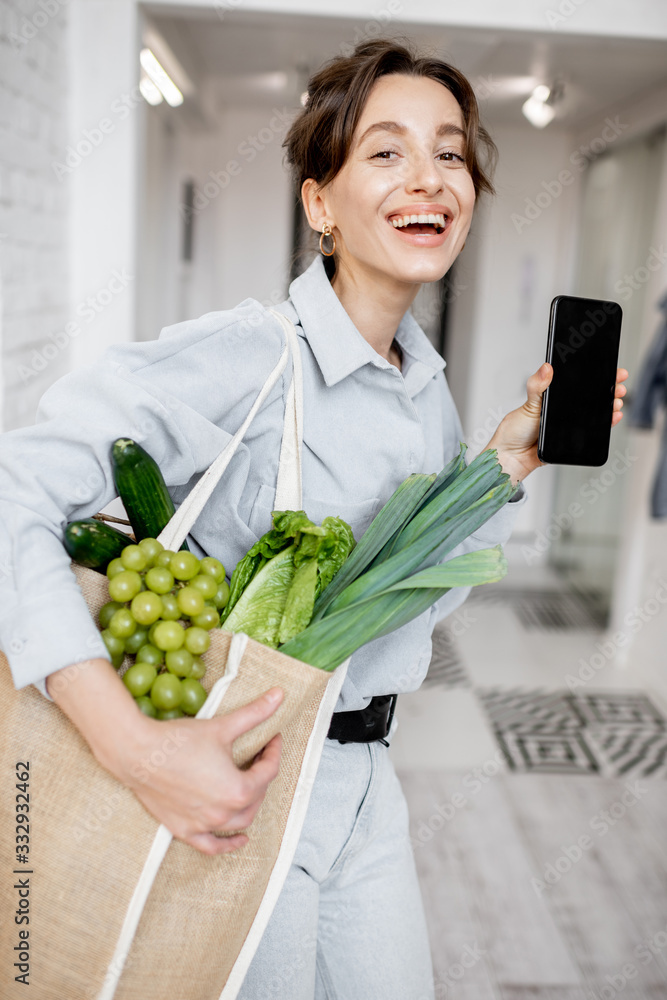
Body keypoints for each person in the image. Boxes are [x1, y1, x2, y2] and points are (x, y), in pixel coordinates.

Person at [0, 37, 627, 1000]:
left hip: (369, 785)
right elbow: (14, 493)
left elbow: (400, 609)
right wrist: (133, 745)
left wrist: (501, 463)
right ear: (319, 203)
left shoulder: (425, 391)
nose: (429, 178)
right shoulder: (249, 356)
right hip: (244, 794)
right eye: (386, 152)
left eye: (450, 153)